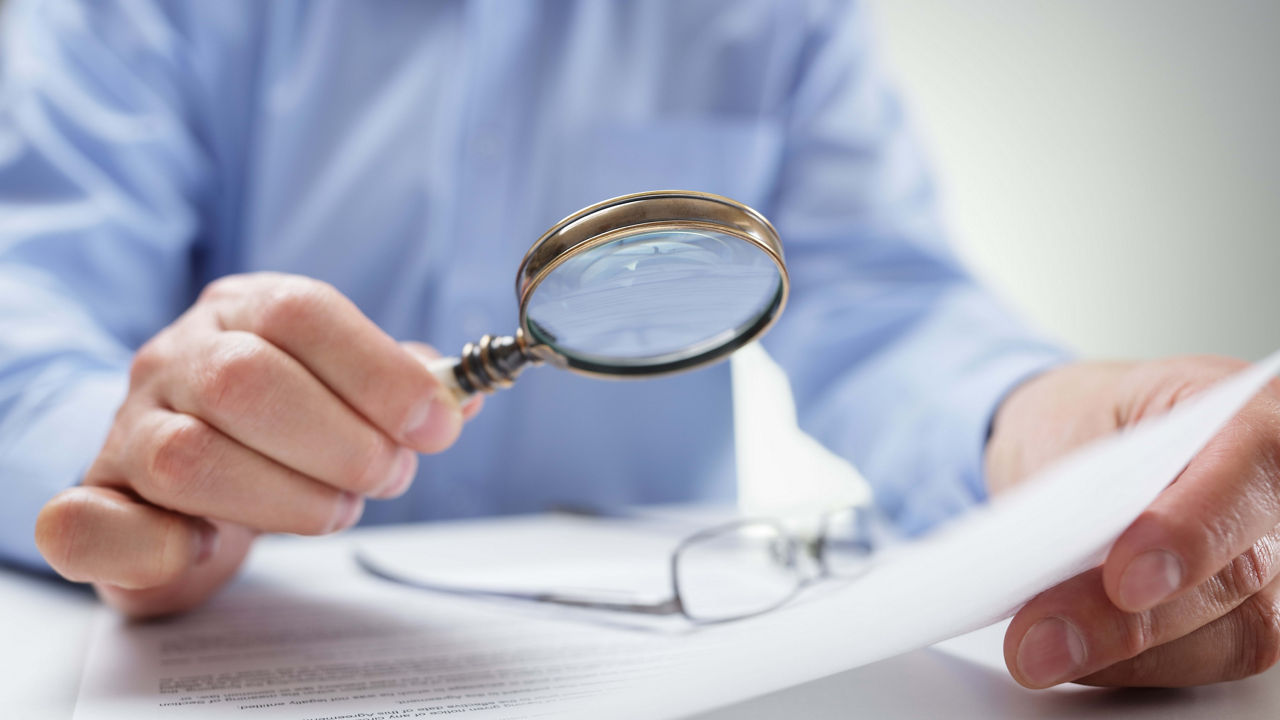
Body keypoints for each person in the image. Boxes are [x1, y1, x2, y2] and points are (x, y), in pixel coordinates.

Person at [0, 0, 1276, 692]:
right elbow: (26, 317)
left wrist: (1069, 432)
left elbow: (887, 308)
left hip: (651, 663)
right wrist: (147, 466)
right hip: (227, 645)